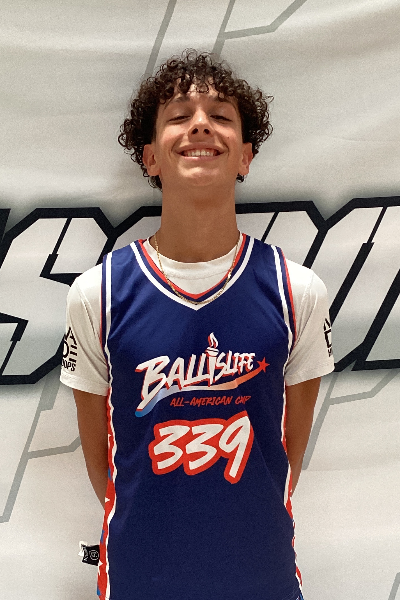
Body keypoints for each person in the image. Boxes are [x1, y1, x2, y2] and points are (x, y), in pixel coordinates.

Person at [60, 49, 334, 600]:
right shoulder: (97, 294)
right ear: (150, 158)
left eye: (222, 115)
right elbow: (105, 466)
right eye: (179, 115)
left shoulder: (297, 291)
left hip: (263, 577)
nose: (201, 125)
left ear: (245, 157)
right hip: (139, 579)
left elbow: (285, 457)